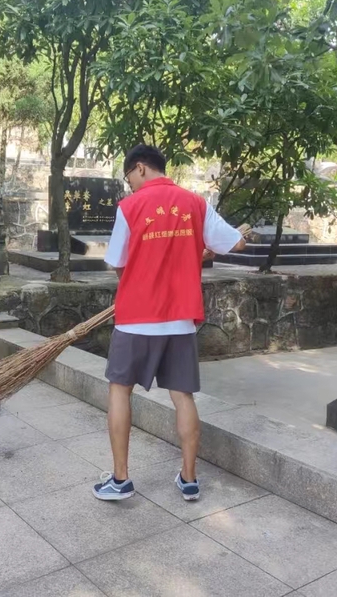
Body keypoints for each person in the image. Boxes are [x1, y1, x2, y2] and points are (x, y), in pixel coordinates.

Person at [94, 145, 246, 502]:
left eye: (129, 177)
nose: (130, 185)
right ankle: (189, 479)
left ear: (140, 168)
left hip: (135, 318)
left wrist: (135, 282)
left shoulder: (130, 207)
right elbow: (236, 243)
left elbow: (118, 262)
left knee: (119, 390)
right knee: (183, 396)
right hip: (180, 320)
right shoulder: (195, 203)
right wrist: (202, 248)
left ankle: (120, 479)